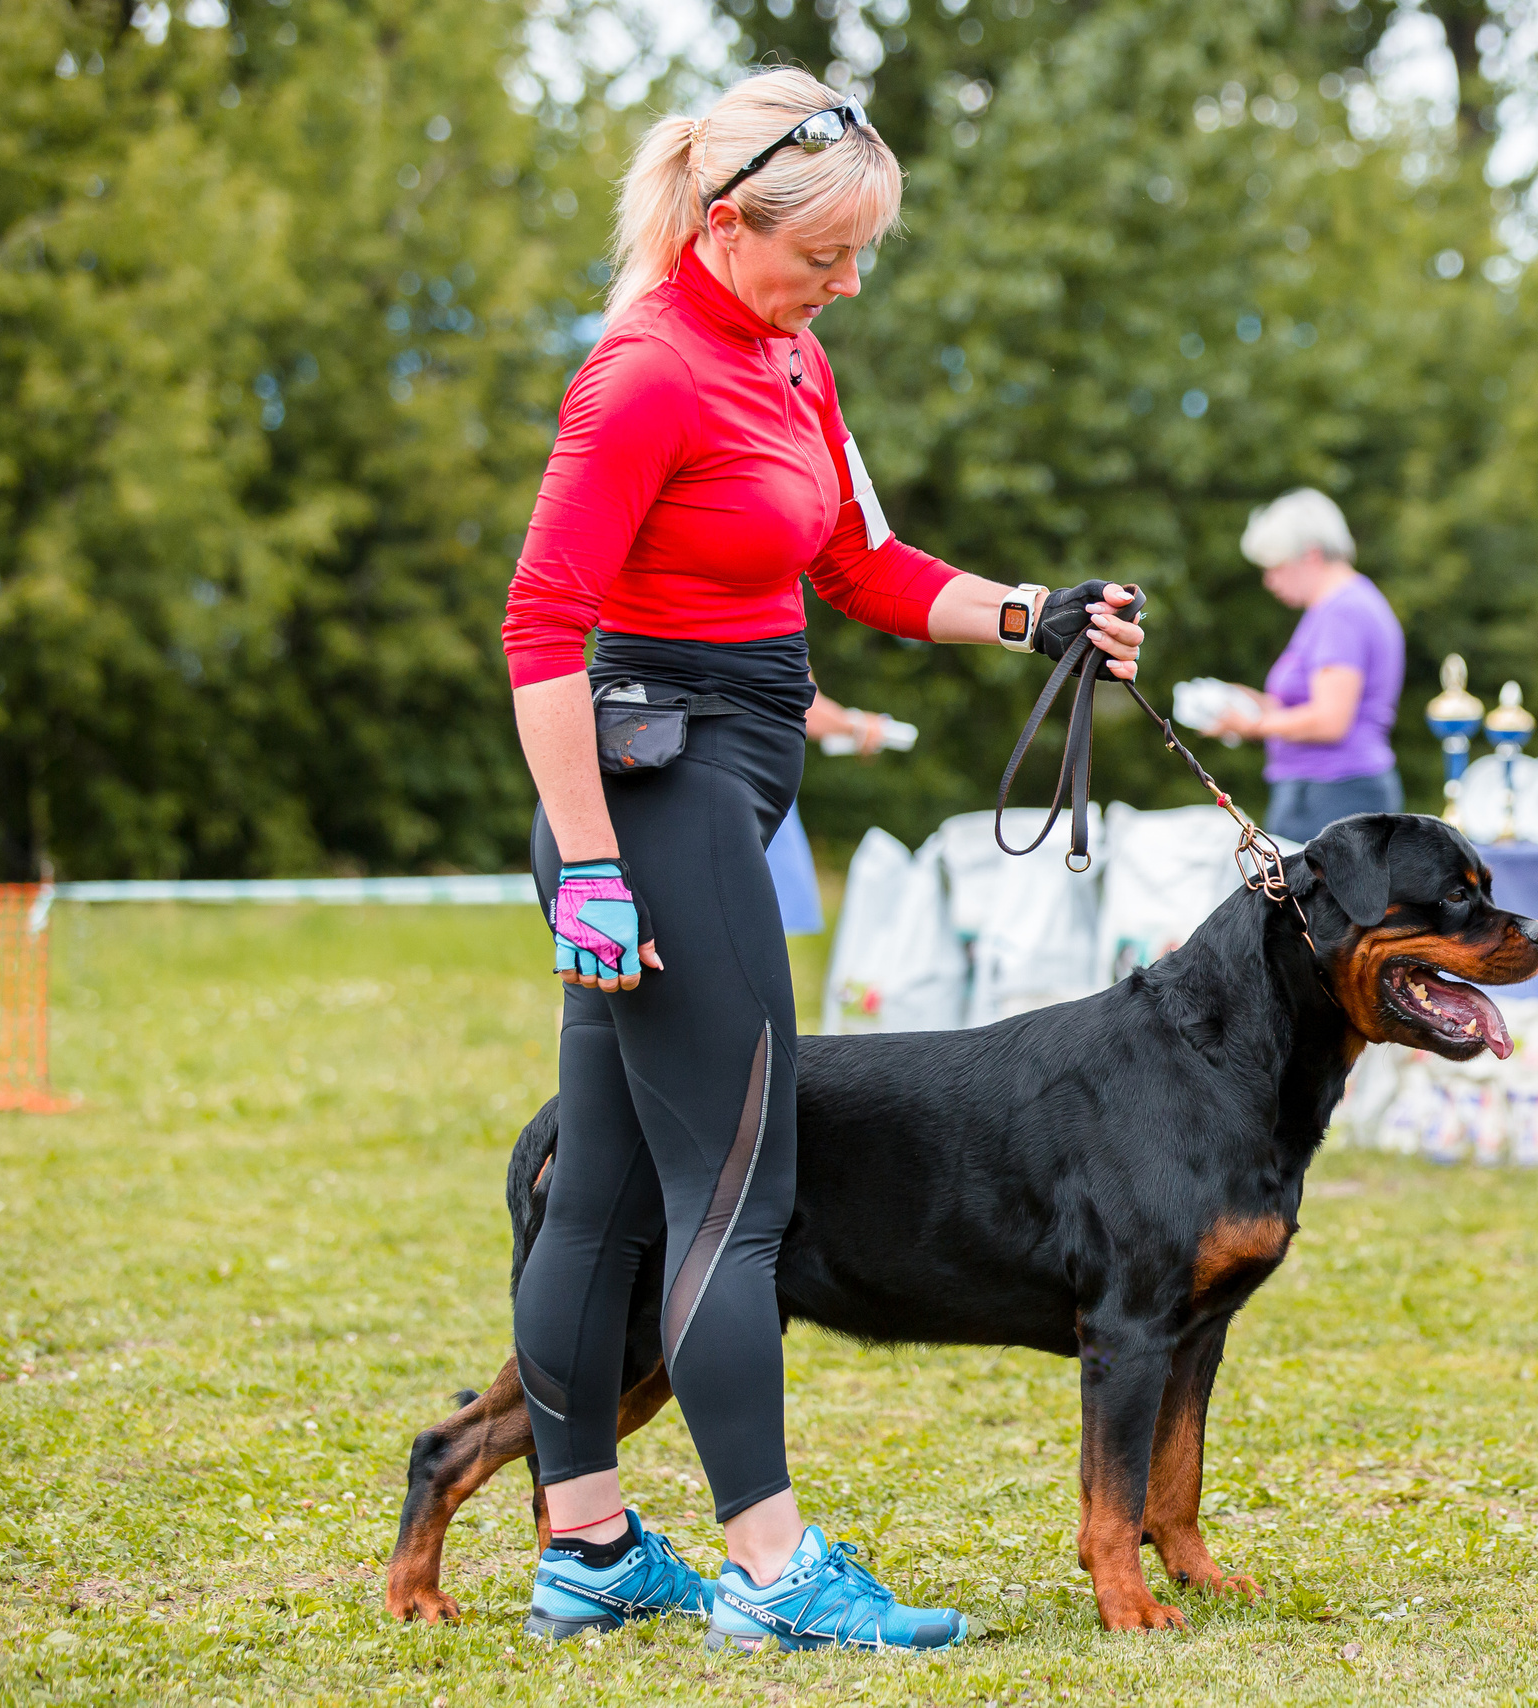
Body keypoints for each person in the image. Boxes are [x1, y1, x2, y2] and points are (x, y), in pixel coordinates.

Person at [498, 68, 1144, 1652]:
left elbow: (859, 562)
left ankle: (589, 1549)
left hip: (717, 789)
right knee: (738, 1194)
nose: (848, 283)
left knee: (609, 1189)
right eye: (825, 255)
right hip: (658, 804)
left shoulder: (790, 358)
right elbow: (540, 627)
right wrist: (593, 866)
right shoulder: (643, 374)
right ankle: (774, 1571)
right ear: (726, 225)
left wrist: (1032, 613)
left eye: (864, 254)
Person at [1207, 489, 1406, 843]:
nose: (1269, 581)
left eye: (1276, 567)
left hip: (1334, 794)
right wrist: (1256, 704)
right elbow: (1317, 705)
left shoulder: (1342, 612)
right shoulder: (1343, 606)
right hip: (1330, 791)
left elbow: (1330, 720)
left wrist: (1252, 724)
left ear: (1311, 555)